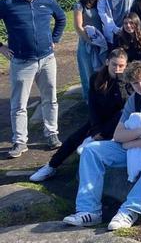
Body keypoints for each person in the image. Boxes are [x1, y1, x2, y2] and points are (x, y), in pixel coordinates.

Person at [62, 61, 141, 230]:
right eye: (135, 83)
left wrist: (129, 144)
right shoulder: (134, 100)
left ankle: (130, 209)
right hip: (137, 144)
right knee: (91, 150)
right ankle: (89, 211)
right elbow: (118, 135)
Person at [30, 49, 131, 182]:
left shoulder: (128, 81)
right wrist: (96, 129)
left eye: (121, 66)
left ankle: (95, 139)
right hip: (100, 119)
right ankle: (51, 165)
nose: (117, 68)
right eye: (114, 64)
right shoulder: (96, 78)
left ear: (126, 65)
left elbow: (125, 105)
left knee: (122, 113)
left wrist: (120, 81)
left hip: (119, 123)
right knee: (74, 138)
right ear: (107, 62)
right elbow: (93, 105)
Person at [0, 0, 66, 158]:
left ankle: (52, 134)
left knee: (50, 99)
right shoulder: (7, 4)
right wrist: (1, 47)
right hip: (21, 62)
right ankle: (20, 141)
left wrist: (55, 39)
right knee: (19, 104)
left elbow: (61, 19)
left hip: (47, 59)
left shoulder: (47, 1)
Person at [73, 0, 106, 103]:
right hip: (87, 42)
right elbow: (77, 26)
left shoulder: (101, 3)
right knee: (88, 70)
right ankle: (90, 99)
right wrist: (89, 40)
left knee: (102, 68)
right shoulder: (79, 5)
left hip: (101, 41)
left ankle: (102, 95)